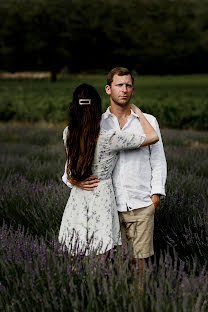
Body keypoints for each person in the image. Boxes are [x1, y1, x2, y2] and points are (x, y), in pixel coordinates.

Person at [66, 68, 167, 274]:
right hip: (109, 206)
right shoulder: (96, 123)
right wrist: (75, 181)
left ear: (133, 89)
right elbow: (71, 166)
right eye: (119, 85)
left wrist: (155, 195)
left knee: (141, 265)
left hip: (141, 203)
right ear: (108, 89)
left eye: (128, 85)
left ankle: (139, 304)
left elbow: (158, 160)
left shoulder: (148, 121)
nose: (124, 90)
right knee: (115, 266)